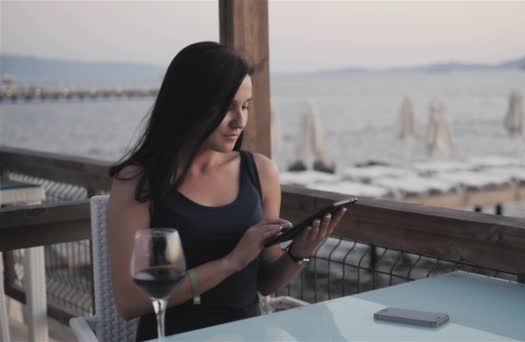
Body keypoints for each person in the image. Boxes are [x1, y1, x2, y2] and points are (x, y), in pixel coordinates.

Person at [106, 42, 347, 340]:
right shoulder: (137, 182)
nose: (240, 121)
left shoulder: (260, 172)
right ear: (188, 104)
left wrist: (299, 253)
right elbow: (130, 301)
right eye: (227, 107)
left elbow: (265, 282)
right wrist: (229, 263)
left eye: (245, 106)